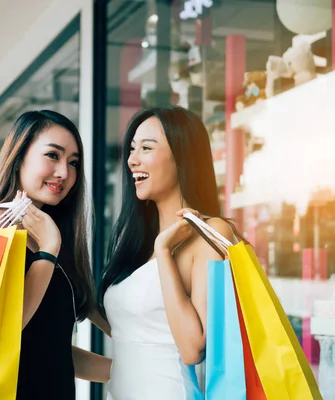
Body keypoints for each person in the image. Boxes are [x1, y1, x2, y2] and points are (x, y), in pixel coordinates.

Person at [98, 106, 238, 399]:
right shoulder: (137, 239)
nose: (132, 159)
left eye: (146, 148)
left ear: (182, 158)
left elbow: (192, 349)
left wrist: (164, 252)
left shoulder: (210, 234)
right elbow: (136, 332)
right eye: (132, 149)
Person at [0, 110, 110, 400]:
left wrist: (138, 370)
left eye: (73, 162)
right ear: (19, 156)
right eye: (52, 156)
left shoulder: (56, 237)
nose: (64, 172)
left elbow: (50, 348)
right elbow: (5, 329)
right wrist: (47, 252)